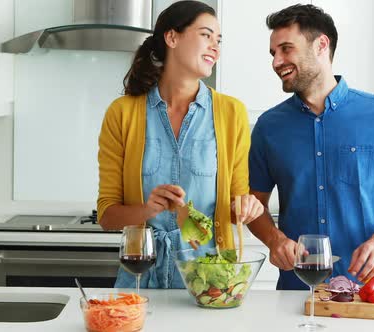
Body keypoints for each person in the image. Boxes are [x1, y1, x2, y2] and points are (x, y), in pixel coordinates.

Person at [247, 4, 374, 290]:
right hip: (300, 287)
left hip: (373, 288)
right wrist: (274, 239)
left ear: (321, 45)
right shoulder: (268, 127)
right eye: (273, 53)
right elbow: (253, 205)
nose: (276, 61)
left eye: (286, 49)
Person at [97, 0, 263, 289]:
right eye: (205, 35)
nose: (215, 46)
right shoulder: (122, 113)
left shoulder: (231, 113)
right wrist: (149, 210)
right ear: (172, 38)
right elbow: (107, 215)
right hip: (140, 278)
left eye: (218, 40)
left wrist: (248, 206)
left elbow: (236, 206)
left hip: (209, 282)